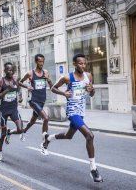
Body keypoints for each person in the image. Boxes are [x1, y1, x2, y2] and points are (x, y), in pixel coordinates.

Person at [44, 53, 103, 182]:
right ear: (75, 64)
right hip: (72, 112)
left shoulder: (88, 76)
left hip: (81, 111)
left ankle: (48, 138)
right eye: (80, 63)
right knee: (90, 136)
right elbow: (53, 88)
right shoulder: (67, 78)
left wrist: (91, 89)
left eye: (84, 63)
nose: (83, 65)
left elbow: (92, 94)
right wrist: (63, 93)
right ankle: (93, 169)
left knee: (68, 135)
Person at [19, 54, 53, 155]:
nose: (41, 63)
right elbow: (19, 82)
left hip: (42, 101)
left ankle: (23, 131)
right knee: (46, 118)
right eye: (39, 61)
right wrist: (27, 86)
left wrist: (48, 79)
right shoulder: (30, 73)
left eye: (43, 61)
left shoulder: (46, 72)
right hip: (33, 101)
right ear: (36, 62)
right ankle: (44, 144)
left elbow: (51, 87)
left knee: (32, 121)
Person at [0, 62, 23, 161]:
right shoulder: (0, 82)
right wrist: (7, 90)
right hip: (4, 111)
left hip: (14, 109)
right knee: (2, 134)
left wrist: (20, 97)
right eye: (9, 70)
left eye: (12, 70)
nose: (11, 72)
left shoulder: (15, 80)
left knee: (20, 129)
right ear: (5, 70)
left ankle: (9, 133)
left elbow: (18, 90)